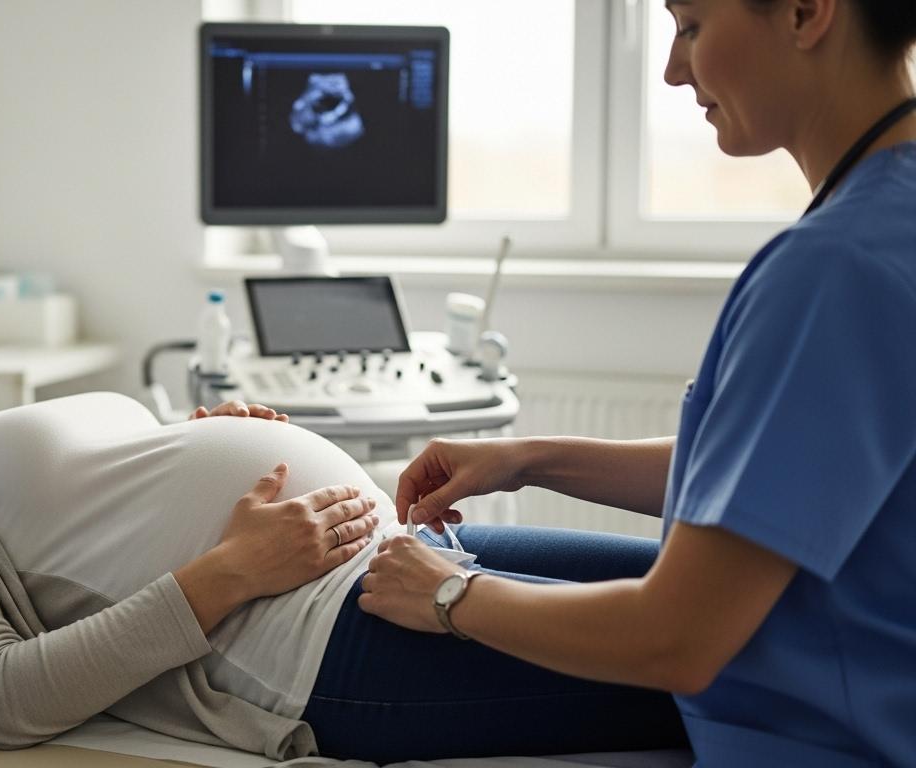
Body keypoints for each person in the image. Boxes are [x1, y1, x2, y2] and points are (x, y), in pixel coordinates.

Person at [0, 232, 689, 762]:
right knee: (708, 662)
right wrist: (229, 571)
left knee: (704, 596)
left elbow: (102, 521)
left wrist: (193, 441)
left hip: (397, 561)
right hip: (320, 645)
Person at [362, 0, 916, 765]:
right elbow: (771, 474)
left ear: (804, 11)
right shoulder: (888, 220)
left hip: (826, 738)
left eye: (690, 26)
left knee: (421, 583)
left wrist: (449, 596)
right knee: (466, 552)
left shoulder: (834, 270)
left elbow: (678, 639)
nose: (671, 70)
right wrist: (528, 458)